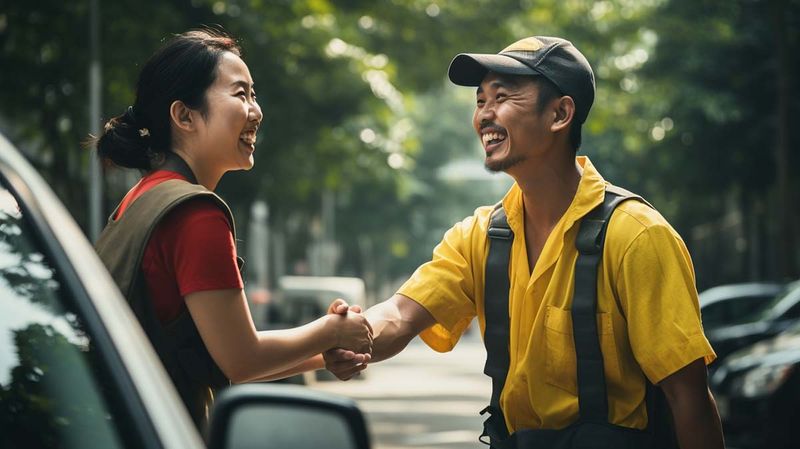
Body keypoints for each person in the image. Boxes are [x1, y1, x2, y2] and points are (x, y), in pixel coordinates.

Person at [325, 36, 725, 448]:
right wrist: (353, 336)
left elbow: (688, 398)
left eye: (502, 97)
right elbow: (402, 314)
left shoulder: (637, 236)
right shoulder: (480, 236)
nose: (485, 114)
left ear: (559, 114)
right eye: (480, 101)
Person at [91, 28, 372, 428]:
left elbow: (215, 356)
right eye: (240, 94)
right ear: (184, 115)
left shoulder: (139, 199)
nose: (256, 111)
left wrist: (324, 350)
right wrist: (330, 330)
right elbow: (242, 360)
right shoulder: (195, 213)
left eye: (254, 95)